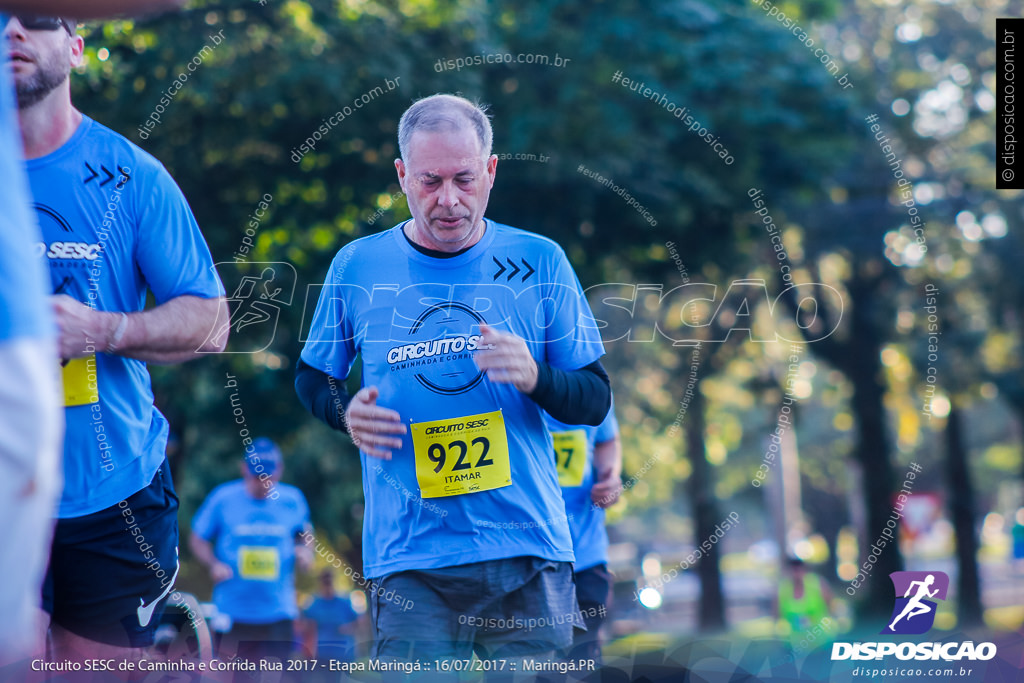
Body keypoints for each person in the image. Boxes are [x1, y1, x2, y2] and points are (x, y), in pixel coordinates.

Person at [295, 94, 611, 673]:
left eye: (464, 179)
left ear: (490, 171)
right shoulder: (357, 266)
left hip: (527, 551)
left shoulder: (540, 260)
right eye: (429, 180)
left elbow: (594, 399)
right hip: (411, 559)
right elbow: (313, 378)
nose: (448, 200)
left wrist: (537, 376)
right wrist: (345, 413)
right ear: (401, 176)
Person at [8, 10, 227, 661]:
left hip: (112, 496)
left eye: (38, 18)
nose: (13, 32)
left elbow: (212, 320)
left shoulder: (130, 175)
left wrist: (101, 328)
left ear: (76, 47)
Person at [190, 438, 314, 667]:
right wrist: (213, 564)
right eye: (257, 477)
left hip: (279, 611)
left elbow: (304, 534)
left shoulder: (292, 500)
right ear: (244, 469)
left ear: (280, 471)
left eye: (270, 477)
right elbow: (198, 538)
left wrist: (306, 553)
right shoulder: (223, 498)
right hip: (233, 611)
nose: (263, 483)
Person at [543, 401, 621, 666]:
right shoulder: (501, 389)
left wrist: (611, 479)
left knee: (582, 662)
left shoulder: (591, 387)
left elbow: (607, 439)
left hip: (586, 557)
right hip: (527, 556)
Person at [299, 568, 362, 674]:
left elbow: (359, 623)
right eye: (325, 581)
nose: (328, 585)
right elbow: (305, 627)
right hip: (321, 656)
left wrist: (348, 628)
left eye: (329, 581)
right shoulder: (314, 604)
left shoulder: (344, 602)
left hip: (343, 655)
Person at [776, 557, 833, 649]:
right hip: (793, 642)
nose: (796, 573)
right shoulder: (784, 588)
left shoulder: (817, 584)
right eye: (793, 570)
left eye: (798, 569)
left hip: (819, 640)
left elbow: (830, 606)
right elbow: (778, 614)